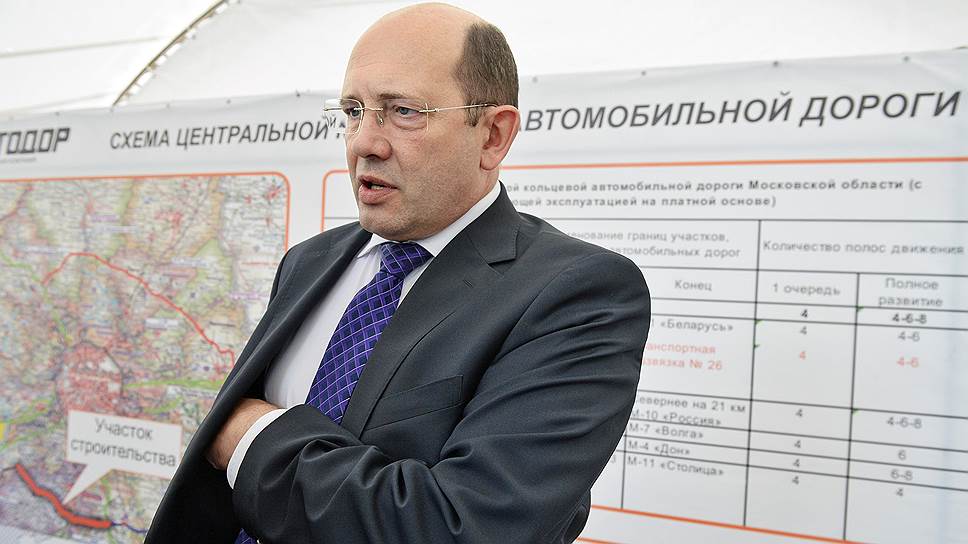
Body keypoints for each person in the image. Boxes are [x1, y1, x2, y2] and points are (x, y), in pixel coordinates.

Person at [145, 3, 650, 543]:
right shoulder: (310, 262)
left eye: (404, 111)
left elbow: (462, 527)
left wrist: (252, 438)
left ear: (493, 136)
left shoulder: (577, 293)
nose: (364, 142)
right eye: (353, 111)